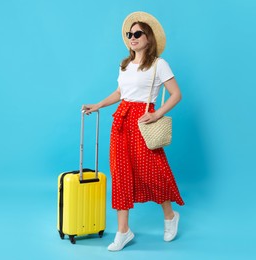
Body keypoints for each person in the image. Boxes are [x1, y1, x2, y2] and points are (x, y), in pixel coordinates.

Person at [84, 11, 185, 251]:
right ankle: (123, 231)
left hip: (143, 121)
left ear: (148, 38)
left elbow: (176, 94)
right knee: (120, 174)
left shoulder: (159, 64)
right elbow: (120, 94)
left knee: (155, 170)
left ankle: (170, 216)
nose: (133, 37)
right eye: (130, 34)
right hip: (122, 120)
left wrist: (157, 113)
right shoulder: (125, 64)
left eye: (138, 33)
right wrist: (98, 104)